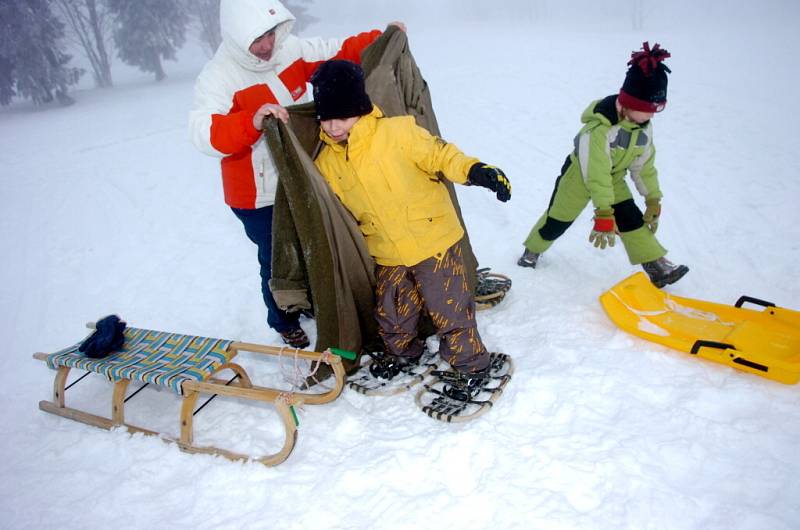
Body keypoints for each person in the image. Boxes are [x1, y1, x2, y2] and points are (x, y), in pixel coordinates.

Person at [189, 0, 389, 348]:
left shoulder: (290, 51)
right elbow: (204, 133)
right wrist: (250, 121)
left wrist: (382, 37)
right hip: (256, 195)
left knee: (314, 244)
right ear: (236, 38)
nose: (267, 46)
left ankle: (309, 299)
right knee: (278, 258)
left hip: (299, 180)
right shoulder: (218, 77)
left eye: (270, 34)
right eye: (257, 39)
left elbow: (338, 52)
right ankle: (282, 318)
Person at [310, 59, 512, 391]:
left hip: (432, 240)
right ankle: (403, 354)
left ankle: (471, 363)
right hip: (386, 250)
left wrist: (476, 171)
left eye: (341, 117)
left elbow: (442, 156)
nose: (333, 127)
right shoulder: (327, 161)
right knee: (392, 311)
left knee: (449, 308)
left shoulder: (398, 132)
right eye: (326, 119)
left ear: (360, 109)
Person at [517, 42, 689, 288]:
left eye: (657, 109)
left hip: (613, 177)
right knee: (558, 219)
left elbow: (644, 166)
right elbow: (595, 174)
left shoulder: (643, 129)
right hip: (578, 178)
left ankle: (657, 265)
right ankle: (532, 251)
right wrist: (604, 213)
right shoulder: (599, 130)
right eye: (647, 109)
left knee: (631, 217)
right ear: (629, 103)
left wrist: (653, 198)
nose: (651, 116)